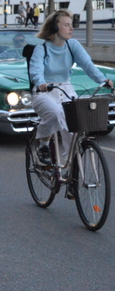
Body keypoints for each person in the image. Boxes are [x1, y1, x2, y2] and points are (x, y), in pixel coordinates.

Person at [29, 9, 114, 173]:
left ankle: (71, 173)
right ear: (54, 28)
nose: (71, 28)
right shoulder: (41, 50)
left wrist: (102, 80)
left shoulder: (72, 45)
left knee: (74, 129)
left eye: (71, 25)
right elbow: (36, 71)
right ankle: (43, 145)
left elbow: (88, 65)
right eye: (66, 25)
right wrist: (40, 83)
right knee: (54, 113)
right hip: (45, 91)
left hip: (66, 88)